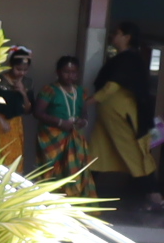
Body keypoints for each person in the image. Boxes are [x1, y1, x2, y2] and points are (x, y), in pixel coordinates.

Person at [91, 24, 159, 213]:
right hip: (108, 117)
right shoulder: (123, 58)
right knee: (96, 153)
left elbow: (113, 85)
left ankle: (154, 195)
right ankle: (85, 193)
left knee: (135, 155)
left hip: (121, 116)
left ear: (127, 37)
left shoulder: (130, 59)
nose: (113, 35)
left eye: (117, 33)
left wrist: (90, 100)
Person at [34, 53, 93, 180]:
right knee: (51, 171)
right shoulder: (49, 90)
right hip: (52, 138)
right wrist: (60, 122)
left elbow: (84, 112)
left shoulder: (81, 91)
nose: (70, 76)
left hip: (75, 137)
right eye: (66, 72)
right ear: (58, 72)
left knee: (74, 171)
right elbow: (38, 112)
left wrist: (83, 121)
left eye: (73, 72)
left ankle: (71, 192)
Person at [0, 45, 33, 172]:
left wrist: (23, 92)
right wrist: (0, 120)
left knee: (15, 159)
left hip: (16, 124)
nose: (22, 73)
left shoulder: (27, 82)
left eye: (25, 70)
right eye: (18, 69)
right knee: (1, 159)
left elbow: (28, 110)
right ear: (11, 65)